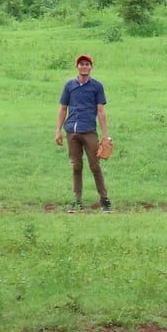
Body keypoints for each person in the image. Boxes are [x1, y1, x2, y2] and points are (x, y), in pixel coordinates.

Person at [55, 54, 112, 213]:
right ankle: (77, 201)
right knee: (76, 166)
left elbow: (101, 111)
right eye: (81, 64)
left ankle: (104, 200)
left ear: (91, 67)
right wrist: (58, 131)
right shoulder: (69, 85)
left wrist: (105, 135)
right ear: (77, 67)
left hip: (88, 131)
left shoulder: (96, 86)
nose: (84, 66)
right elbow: (63, 109)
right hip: (71, 131)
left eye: (87, 64)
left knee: (95, 165)